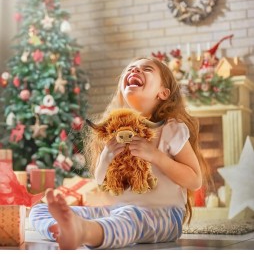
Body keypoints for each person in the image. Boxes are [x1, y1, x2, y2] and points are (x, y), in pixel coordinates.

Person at [29, 57, 211, 250]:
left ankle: (84, 232)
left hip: (163, 214)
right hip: (118, 210)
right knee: (39, 211)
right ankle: (60, 228)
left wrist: (155, 155)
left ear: (163, 93)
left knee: (129, 218)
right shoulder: (114, 132)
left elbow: (194, 180)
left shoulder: (170, 129)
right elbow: (100, 181)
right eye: (131, 69)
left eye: (147, 69)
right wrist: (106, 156)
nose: (135, 71)